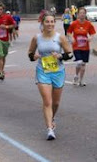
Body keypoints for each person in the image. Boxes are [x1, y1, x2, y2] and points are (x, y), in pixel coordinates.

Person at [28, 11, 73, 140]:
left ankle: (52, 117)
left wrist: (60, 56)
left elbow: (69, 54)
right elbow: (30, 54)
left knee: (56, 102)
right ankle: (49, 129)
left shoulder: (60, 38)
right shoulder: (37, 38)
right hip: (43, 71)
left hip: (58, 71)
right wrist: (34, 56)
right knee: (47, 101)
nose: (50, 24)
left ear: (55, 23)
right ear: (42, 23)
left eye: (52, 22)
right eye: (47, 21)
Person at [67, 7, 96, 87]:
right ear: (78, 14)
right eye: (80, 13)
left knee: (83, 64)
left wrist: (90, 37)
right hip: (76, 46)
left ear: (85, 14)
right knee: (79, 62)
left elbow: (93, 33)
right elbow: (69, 32)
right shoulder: (74, 23)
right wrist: (71, 38)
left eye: (83, 13)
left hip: (85, 47)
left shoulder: (88, 24)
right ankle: (76, 76)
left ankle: (81, 80)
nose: (82, 15)